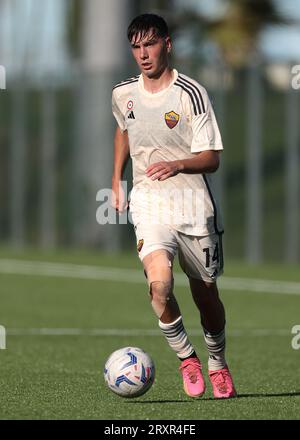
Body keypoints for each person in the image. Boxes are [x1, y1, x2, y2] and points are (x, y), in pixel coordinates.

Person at [111, 13, 236, 399]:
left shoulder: (191, 93)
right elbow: (123, 129)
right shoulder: (122, 93)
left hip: (193, 206)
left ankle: (217, 361)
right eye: (136, 46)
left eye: (149, 44)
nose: (143, 54)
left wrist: (178, 163)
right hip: (149, 204)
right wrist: (116, 179)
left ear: (167, 44)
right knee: (160, 285)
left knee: (206, 295)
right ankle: (187, 358)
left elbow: (211, 156)